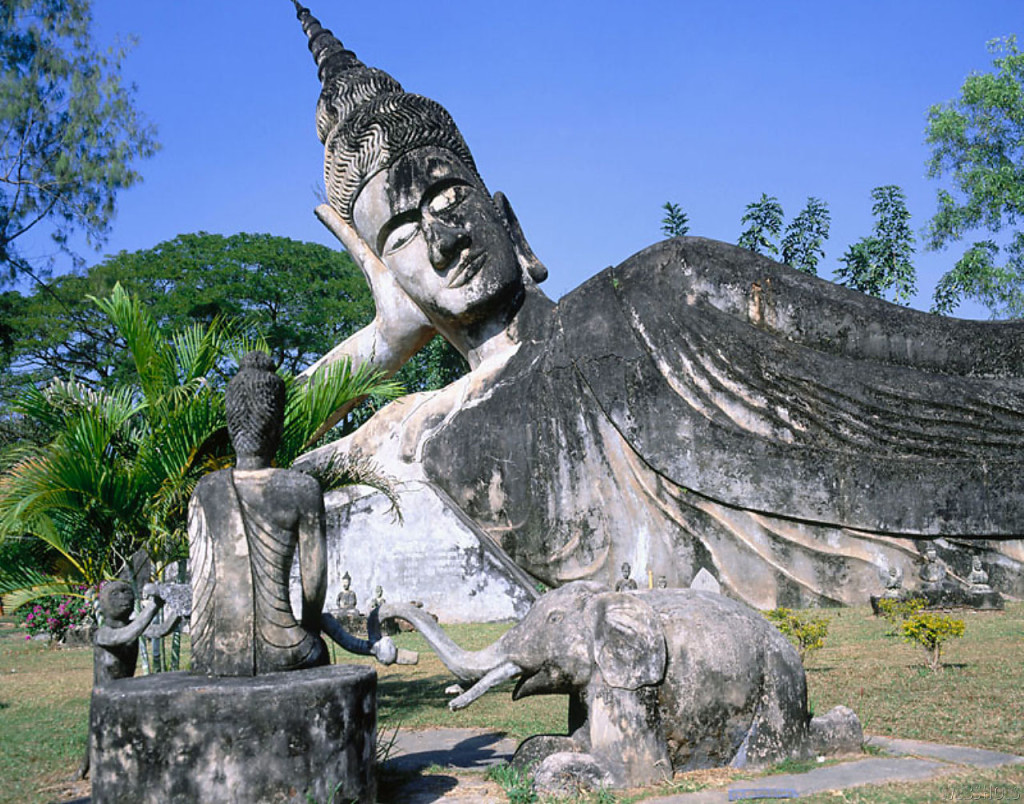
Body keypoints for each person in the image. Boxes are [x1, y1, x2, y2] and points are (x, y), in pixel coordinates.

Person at [290, 5, 1024, 609]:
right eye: (405, 233)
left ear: (509, 222)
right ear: (392, 277)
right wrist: (385, 340)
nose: (445, 239)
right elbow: (243, 464)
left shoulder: (663, 283)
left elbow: (942, 353)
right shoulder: (428, 430)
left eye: (450, 198)